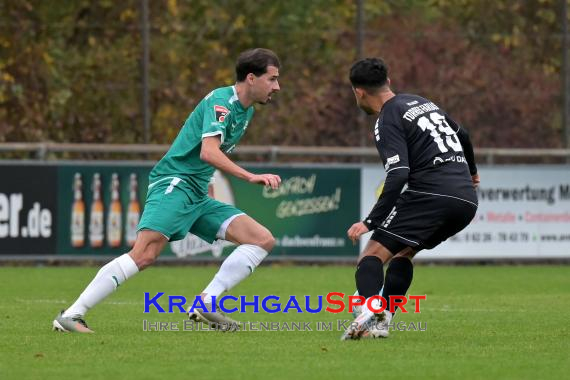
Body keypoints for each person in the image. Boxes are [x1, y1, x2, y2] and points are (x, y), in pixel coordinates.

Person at [53, 48, 282, 333]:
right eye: (272, 79)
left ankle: (206, 303)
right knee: (144, 253)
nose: (277, 87)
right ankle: (72, 315)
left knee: (262, 240)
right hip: (175, 183)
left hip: (197, 193)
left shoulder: (245, 112)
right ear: (251, 78)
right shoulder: (223, 102)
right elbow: (208, 152)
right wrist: (250, 176)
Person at [341, 58, 480, 340]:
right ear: (388, 82)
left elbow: (399, 173)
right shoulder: (420, 102)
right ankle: (383, 322)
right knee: (404, 253)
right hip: (466, 200)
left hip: (430, 193)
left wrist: (371, 221)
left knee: (371, 256)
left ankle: (370, 310)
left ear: (359, 92)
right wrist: (473, 172)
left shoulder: (386, 118)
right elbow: (462, 133)